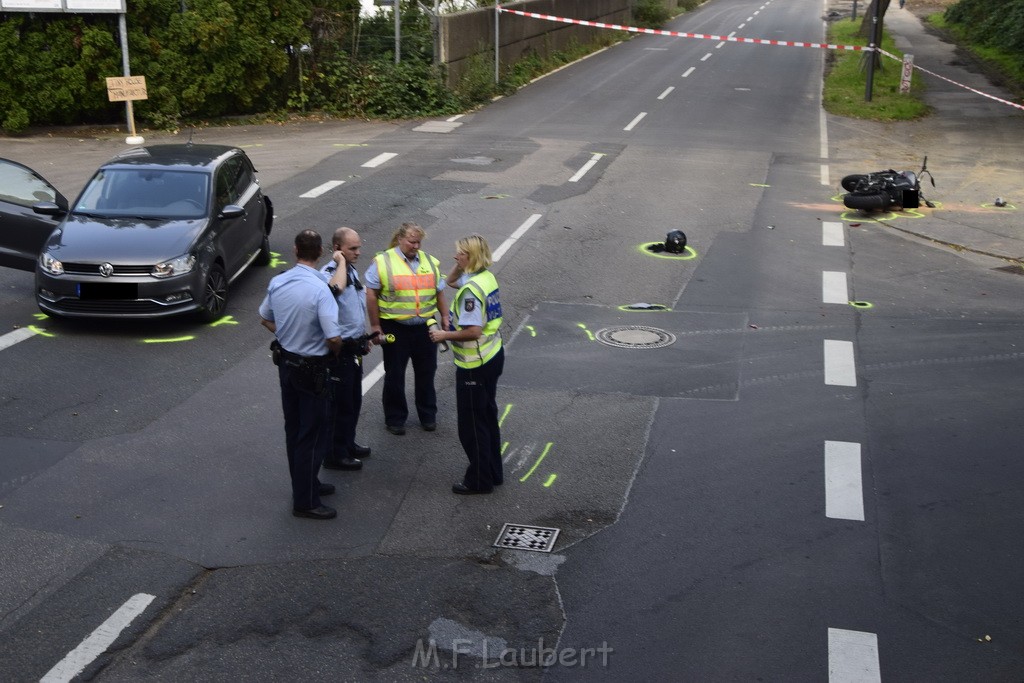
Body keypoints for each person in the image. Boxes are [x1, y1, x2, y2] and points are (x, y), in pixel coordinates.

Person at [259, 230, 342, 520]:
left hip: (287, 365)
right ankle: (305, 501)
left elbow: (265, 317)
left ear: (295, 250)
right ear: (320, 253)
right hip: (313, 368)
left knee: (294, 430)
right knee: (314, 434)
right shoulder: (321, 288)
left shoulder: (278, 281)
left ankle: (307, 484)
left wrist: (287, 335)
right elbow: (333, 336)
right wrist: (335, 350)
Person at [428, 235, 504, 495]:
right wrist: (462, 266)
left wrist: (443, 335)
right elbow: (449, 281)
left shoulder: (471, 291)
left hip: (475, 364)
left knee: (472, 427)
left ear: (470, 256)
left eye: (460, 254)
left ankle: (479, 480)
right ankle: (494, 471)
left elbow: (472, 330)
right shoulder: (485, 278)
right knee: (488, 417)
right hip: (492, 357)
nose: (455, 257)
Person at [365, 222, 448, 435]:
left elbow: (439, 292)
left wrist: (445, 316)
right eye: (412, 241)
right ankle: (395, 419)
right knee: (394, 374)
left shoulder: (429, 261)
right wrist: (375, 326)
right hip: (395, 327)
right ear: (400, 239)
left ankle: (427, 415)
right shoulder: (383, 262)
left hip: (424, 327)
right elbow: (371, 294)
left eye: (418, 242)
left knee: (427, 373)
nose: (416, 246)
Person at [321, 227, 371, 471]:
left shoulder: (351, 271)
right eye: (352, 248)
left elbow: (354, 309)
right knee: (338, 405)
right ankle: (335, 454)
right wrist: (339, 263)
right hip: (339, 351)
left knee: (352, 401)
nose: (358, 252)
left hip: (354, 348)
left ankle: (347, 443)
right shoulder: (330, 274)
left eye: (358, 247)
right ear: (337, 250)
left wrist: (365, 337)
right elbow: (335, 292)